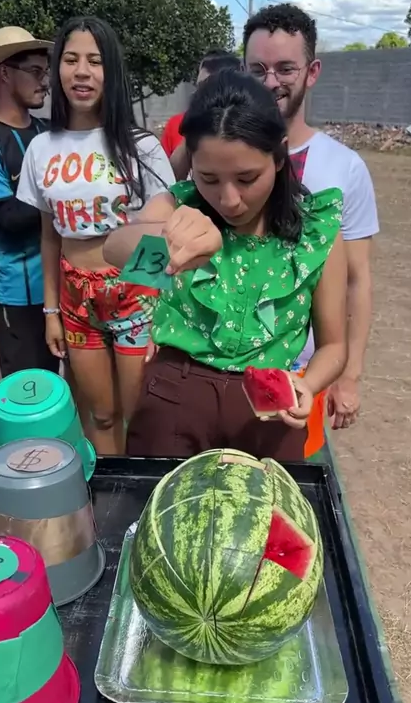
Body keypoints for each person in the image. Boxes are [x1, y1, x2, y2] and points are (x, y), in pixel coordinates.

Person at [104, 69, 348, 461]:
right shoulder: (178, 207)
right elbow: (115, 250)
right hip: (175, 397)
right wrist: (170, 237)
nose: (229, 199)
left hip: (270, 411)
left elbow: (334, 346)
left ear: (280, 156)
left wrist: (309, 384)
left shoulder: (316, 234)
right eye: (209, 178)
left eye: (247, 178)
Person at [17, 15, 179, 455]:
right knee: (100, 414)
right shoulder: (41, 148)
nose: (82, 72)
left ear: (112, 71)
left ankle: (142, 491)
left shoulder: (142, 147)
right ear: (58, 69)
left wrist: (158, 310)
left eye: (95, 61)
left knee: (140, 415)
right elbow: (49, 237)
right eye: (71, 60)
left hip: (136, 297)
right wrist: (51, 311)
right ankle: (109, 491)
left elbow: (161, 233)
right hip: (75, 301)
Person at [243, 3, 379, 456]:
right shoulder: (220, 160)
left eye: (285, 68)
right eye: (257, 69)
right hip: (224, 368)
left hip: (305, 372)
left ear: (312, 72)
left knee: (292, 480)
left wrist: (349, 374)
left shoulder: (344, 168)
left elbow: (357, 279)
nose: (270, 82)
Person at [0, 26, 60, 377]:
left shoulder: (48, 132)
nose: (45, 81)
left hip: (62, 289)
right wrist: (66, 198)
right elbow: (9, 219)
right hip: (20, 297)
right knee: (27, 390)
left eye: (46, 71)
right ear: (4, 73)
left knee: (63, 390)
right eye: (35, 71)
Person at [161, 48, 242, 180]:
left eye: (208, 88)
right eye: (199, 87)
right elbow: (170, 179)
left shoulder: (247, 126)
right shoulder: (178, 125)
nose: (199, 94)